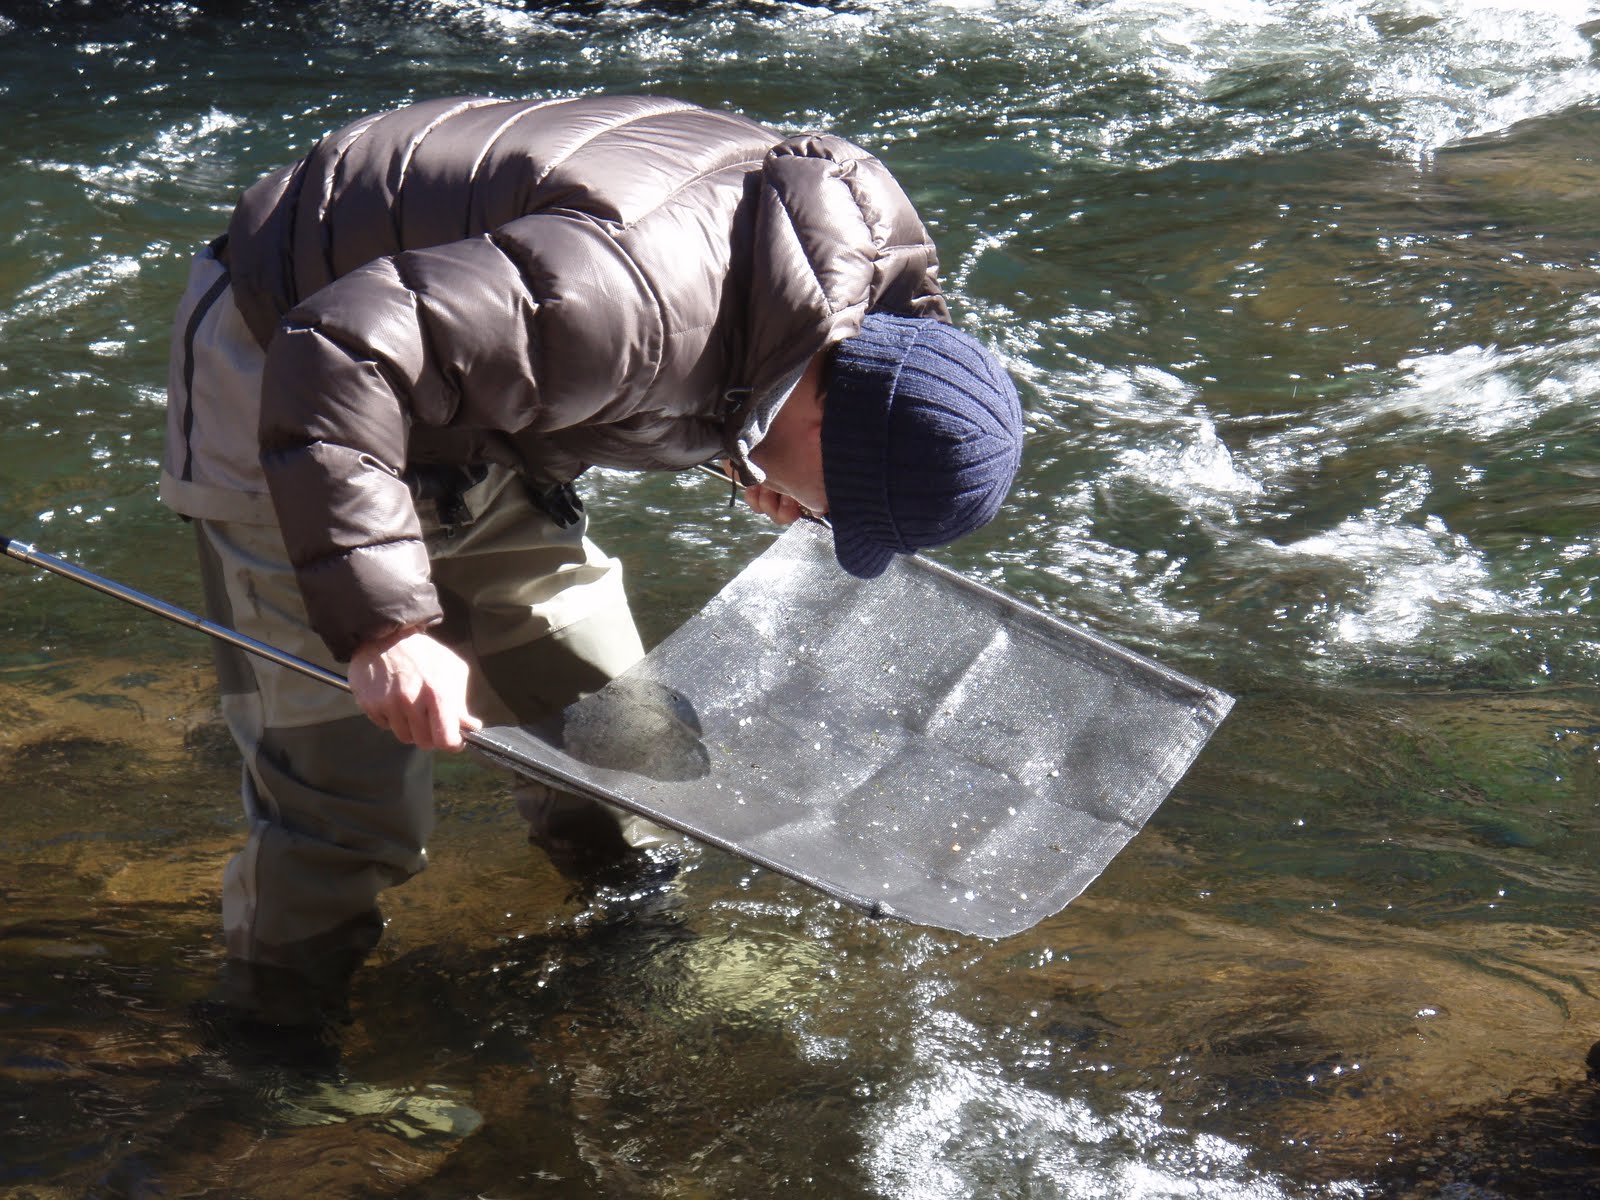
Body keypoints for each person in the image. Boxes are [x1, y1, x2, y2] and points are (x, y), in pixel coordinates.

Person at [161, 93, 1024, 1030]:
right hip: (289, 356)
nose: (811, 520)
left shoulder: (871, 299)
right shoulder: (624, 305)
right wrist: (387, 629)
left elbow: (751, 359)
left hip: (474, 378)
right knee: (345, 809)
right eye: (833, 507)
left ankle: (631, 961)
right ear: (824, 418)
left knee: (626, 742)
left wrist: (748, 446)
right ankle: (271, 1054)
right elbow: (339, 349)